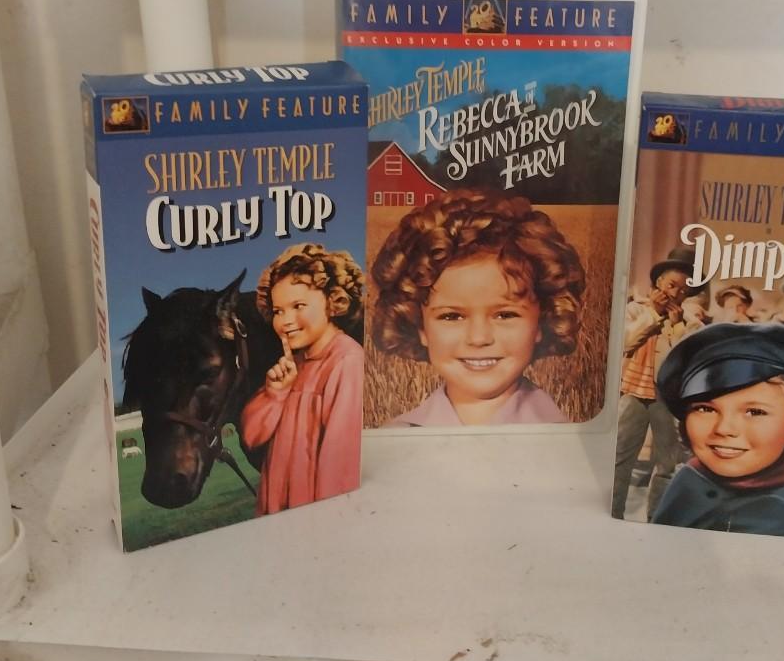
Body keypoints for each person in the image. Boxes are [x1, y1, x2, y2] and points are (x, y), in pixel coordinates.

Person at [372, 188, 585, 426]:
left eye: (505, 315)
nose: (479, 338)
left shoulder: (564, 436)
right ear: (420, 326)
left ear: (542, 321)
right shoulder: (395, 435)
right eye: (451, 316)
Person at [650, 322, 784, 538]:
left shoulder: (775, 516)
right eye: (705, 408)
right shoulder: (694, 475)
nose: (724, 428)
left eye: (755, 412)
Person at [240, 243, 365, 515]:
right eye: (278, 311)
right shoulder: (292, 366)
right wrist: (274, 394)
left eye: (298, 306)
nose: (285, 321)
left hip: (315, 519)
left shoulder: (347, 362)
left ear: (333, 302)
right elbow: (250, 437)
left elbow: (339, 465)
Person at [612, 247, 696, 520]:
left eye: (683, 291)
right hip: (634, 391)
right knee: (620, 458)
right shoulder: (635, 309)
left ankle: (657, 519)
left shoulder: (688, 322)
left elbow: (683, 362)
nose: (675, 294)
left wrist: (677, 326)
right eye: (671, 285)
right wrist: (654, 314)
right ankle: (614, 515)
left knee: (667, 464)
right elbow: (625, 343)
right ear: (659, 282)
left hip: (666, 399)